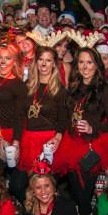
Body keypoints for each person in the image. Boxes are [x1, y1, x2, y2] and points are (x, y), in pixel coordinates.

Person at [56, 47, 108, 215]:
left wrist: (93, 128)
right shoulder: (73, 87)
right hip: (71, 144)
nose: (85, 67)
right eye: (81, 62)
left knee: (84, 195)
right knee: (76, 192)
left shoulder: (104, 89)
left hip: (92, 145)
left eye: (89, 62)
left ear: (97, 65)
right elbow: (66, 116)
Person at [13, 47, 68, 200]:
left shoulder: (60, 90)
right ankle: (30, 210)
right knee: (18, 186)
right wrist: (16, 141)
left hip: (48, 143)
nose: (44, 64)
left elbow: (63, 118)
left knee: (45, 187)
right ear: (36, 62)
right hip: (28, 141)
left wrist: (58, 137)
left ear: (54, 64)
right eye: (41, 60)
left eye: (48, 60)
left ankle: (45, 212)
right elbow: (19, 116)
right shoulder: (27, 86)